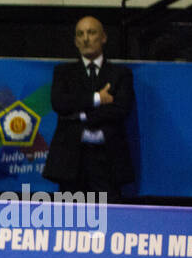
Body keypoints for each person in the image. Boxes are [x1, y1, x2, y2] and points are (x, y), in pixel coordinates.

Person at [42, 16, 136, 202]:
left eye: (91, 32)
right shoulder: (63, 72)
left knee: (109, 220)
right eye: (80, 34)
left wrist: (80, 115)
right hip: (70, 162)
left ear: (103, 37)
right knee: (69, 224)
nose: (86, 38)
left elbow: (121, 109)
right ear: (76, 41)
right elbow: (60, 104)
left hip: (108, 161)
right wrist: (97, 99)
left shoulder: (121, 74)